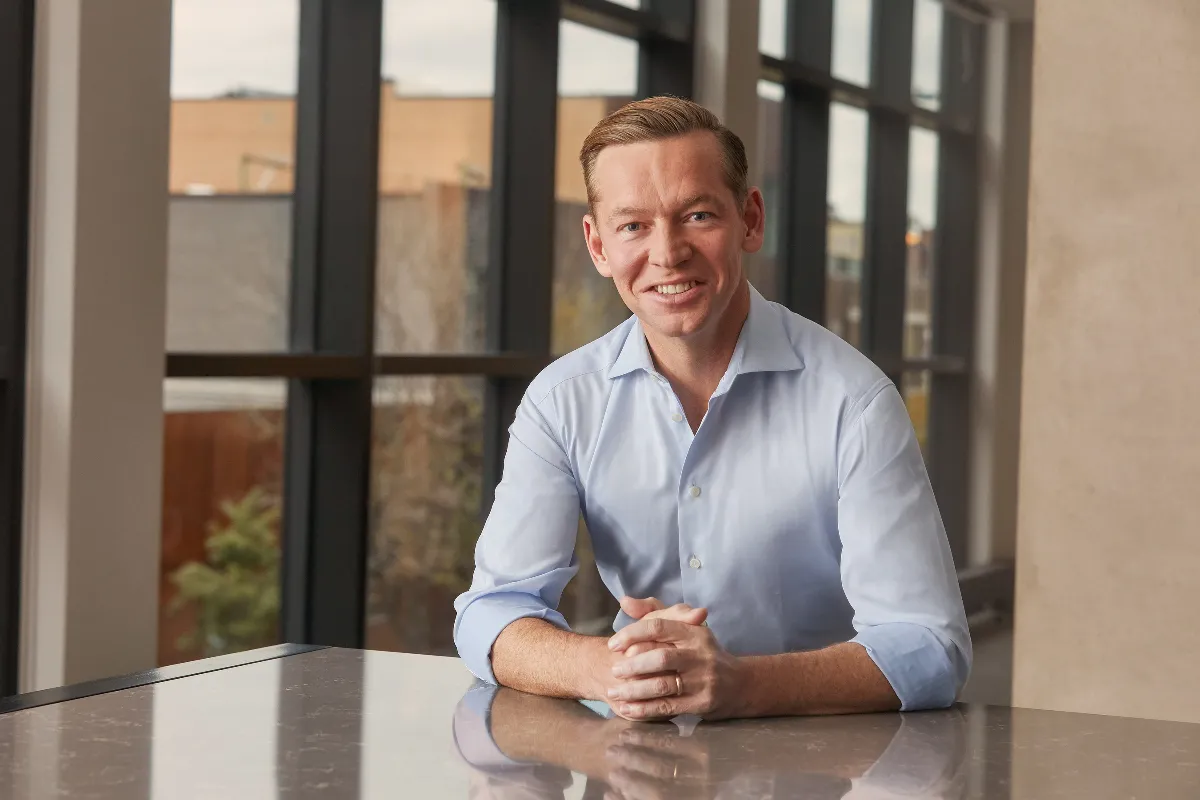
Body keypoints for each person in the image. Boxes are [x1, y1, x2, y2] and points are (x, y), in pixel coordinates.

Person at [453, 96, 970, 721]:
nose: (668, 253)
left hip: (824, 768)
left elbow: (929, 645)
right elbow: (493, 611)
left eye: (697, 215)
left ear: (750, 220)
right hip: (635, 758)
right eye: (633, 226)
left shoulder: (853, 402)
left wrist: (740, 683)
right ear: (597, 246)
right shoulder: (563, 402)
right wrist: (610, 667)